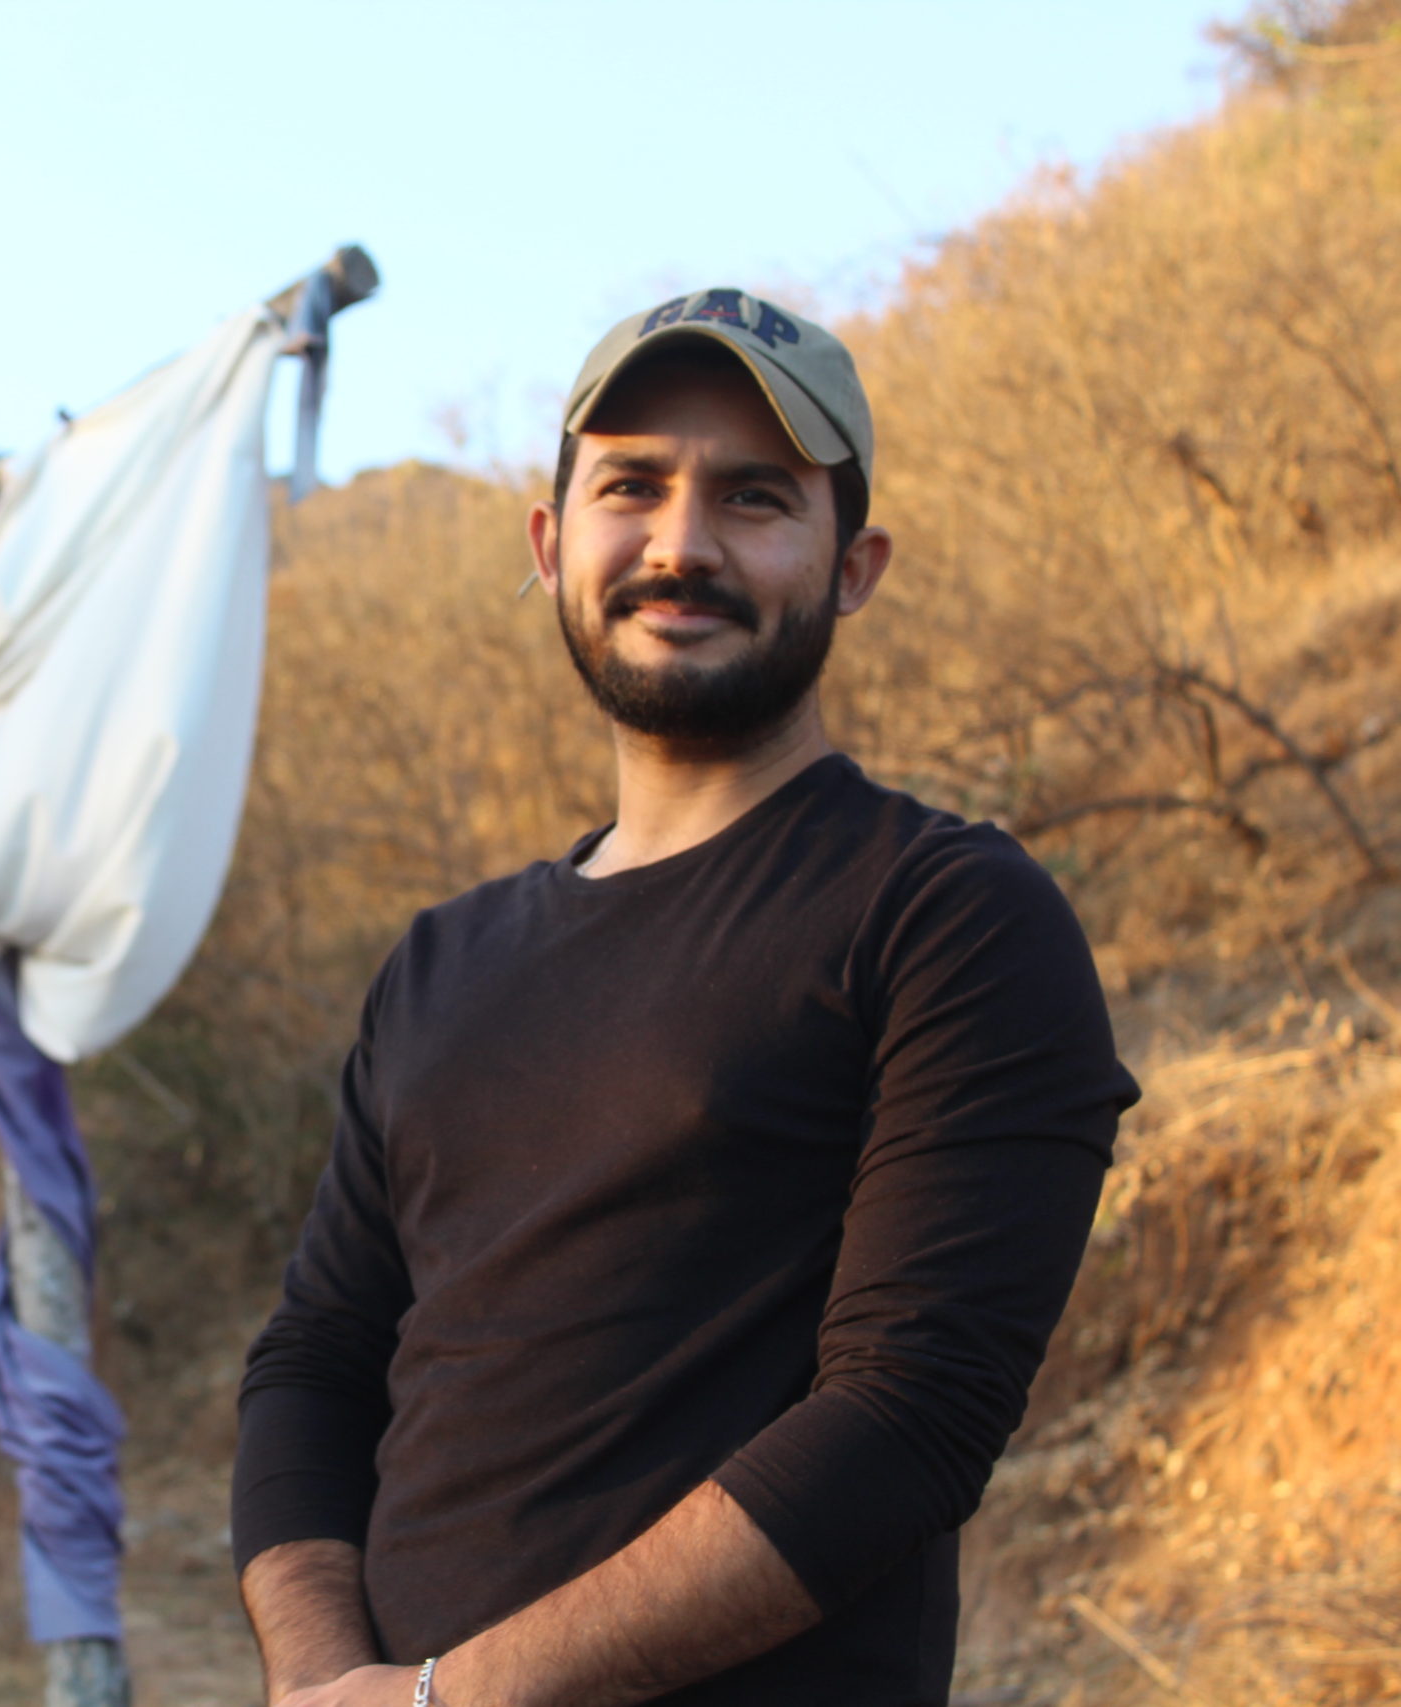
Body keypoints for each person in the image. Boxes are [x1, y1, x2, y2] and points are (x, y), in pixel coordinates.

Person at [230, 288, 1140, 1706]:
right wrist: (321, 1678)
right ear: (551, 545)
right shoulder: (440, 961)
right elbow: (317, 1363)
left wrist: (440, 1702)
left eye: (756, 498)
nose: (681, 544)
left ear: (854, 565)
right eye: (631, 487)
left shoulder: (947, 917)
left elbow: (909, 1420)